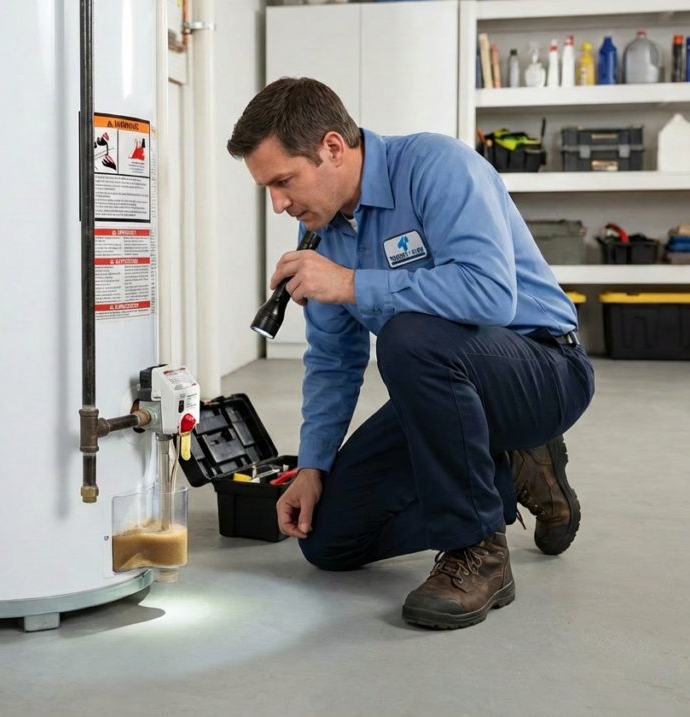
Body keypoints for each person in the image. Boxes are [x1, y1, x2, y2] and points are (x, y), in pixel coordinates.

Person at [226, 77, 595, 630]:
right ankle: (505, 473)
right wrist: (312, 465)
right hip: (448, 389)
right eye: (268, 189)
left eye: (284, 181)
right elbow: (333, 361)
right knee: (329, 541)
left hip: (543, 369)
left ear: (331, 148)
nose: (278, 203)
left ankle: (478, 551)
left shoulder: (436, 166)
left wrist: (351, 283)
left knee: (408, 336)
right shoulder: (322, 236)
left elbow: (491, 295)